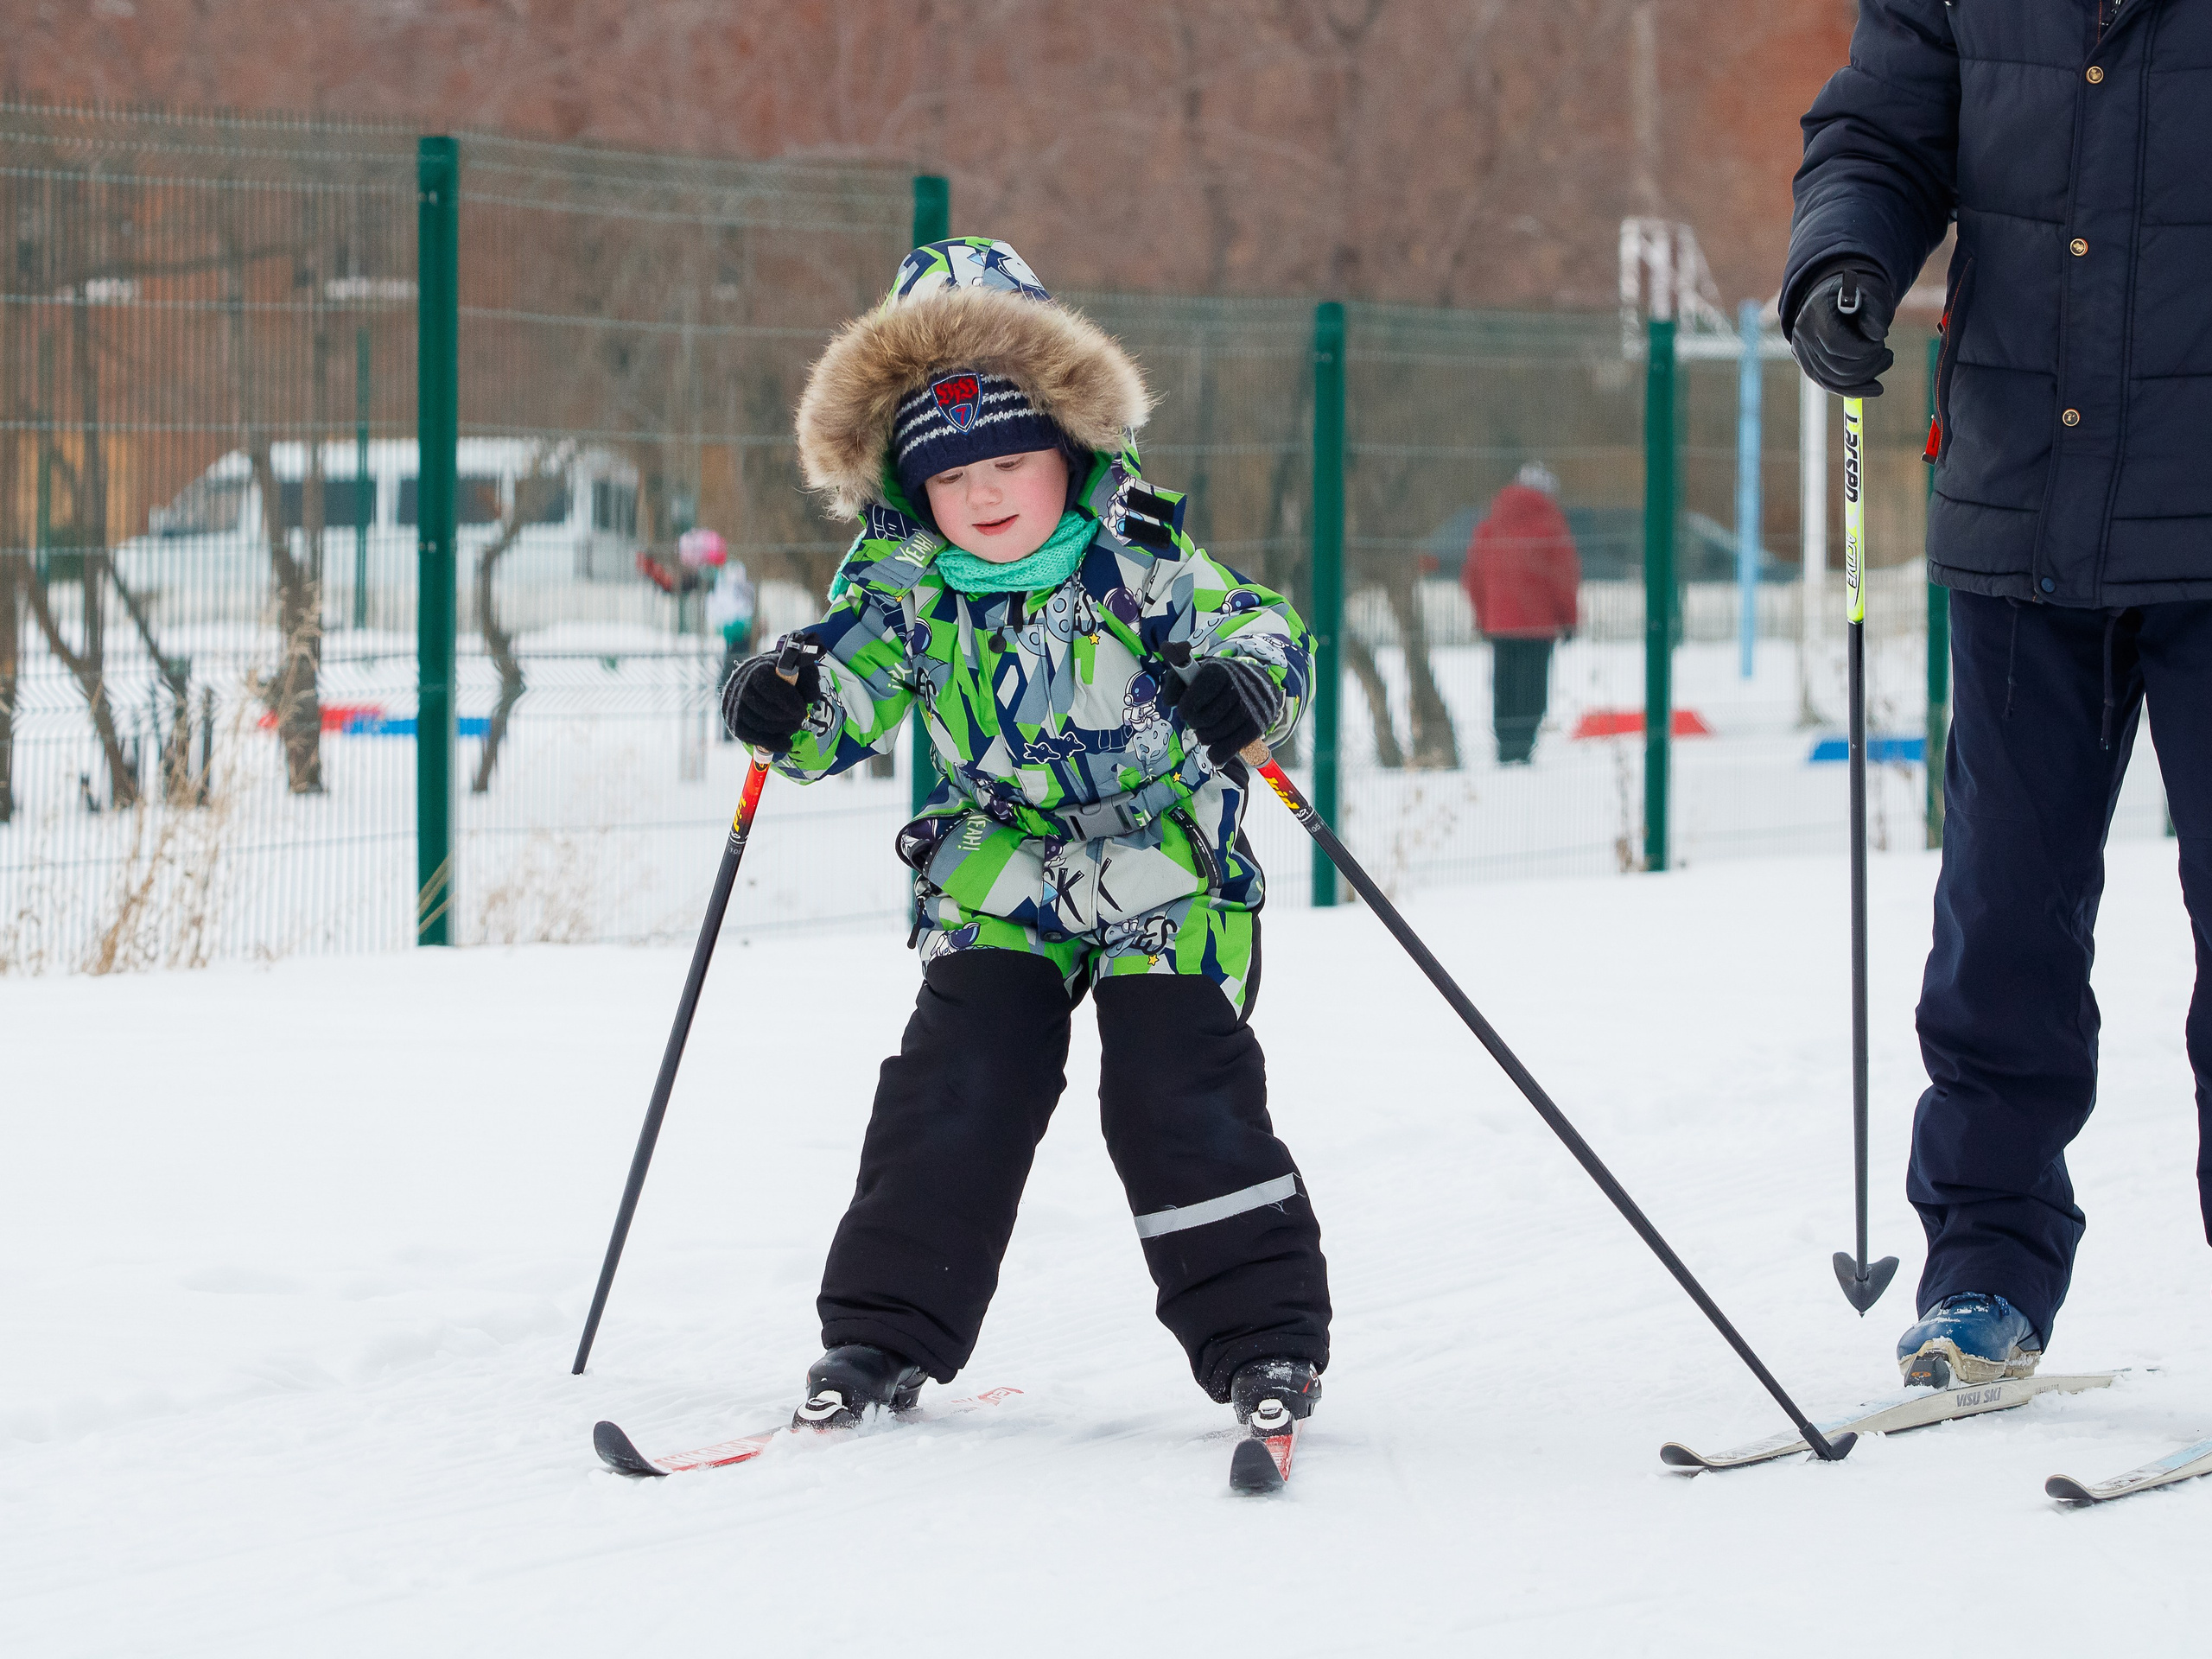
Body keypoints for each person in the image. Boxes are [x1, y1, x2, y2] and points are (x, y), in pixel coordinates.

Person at [720, 238, 1332, 1438]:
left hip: (1167, 865)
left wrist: (1248, 687)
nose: (986, 494)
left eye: (1011, 460)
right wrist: (779, 703)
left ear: (1069, 450)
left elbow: (1264, 632)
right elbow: (838, 700)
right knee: (960, 1082)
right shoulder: (907, 586)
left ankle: (1266, 1343)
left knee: (1174, 1091)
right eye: (951, 478)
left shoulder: (1138, 556)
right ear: (907, 488)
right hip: (1001, 877)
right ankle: (879, 1336)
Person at [1785, 2, 2212, 1389]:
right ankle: (1983, 1270)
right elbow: (1880, 133)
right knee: (1999, 933)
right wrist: (1841, 257)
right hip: (2021, 508)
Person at [1462, 461, 1579, 764]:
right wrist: (1568, 619)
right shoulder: (1552, 526)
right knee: (1532, 689)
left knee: (1505, 687)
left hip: (1499, 624)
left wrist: (1482, 616)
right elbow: (1563, 579)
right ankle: (1523, 747)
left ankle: (1504, 746)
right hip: (1538, 626)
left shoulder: (1489, 526)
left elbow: (1473, 577)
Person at [677, 527, 756, 740]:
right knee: (728, 683)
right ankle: (729, 731)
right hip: (733, 634)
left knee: (729, 684)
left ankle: (731, 732)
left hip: (737, 634)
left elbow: (733, 603)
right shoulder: (728, 574)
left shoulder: (730, 573)